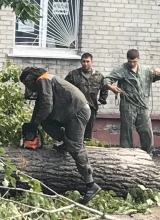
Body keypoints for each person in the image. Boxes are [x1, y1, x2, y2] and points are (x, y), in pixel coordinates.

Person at [19, 67, 101, 204]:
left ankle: (91, 184)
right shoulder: (44, 80)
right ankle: (65, 142)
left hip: (77, 111)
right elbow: (39, 107)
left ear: (30, 79)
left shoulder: (42, 80)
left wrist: (35, 124)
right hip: (70, 111)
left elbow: (46, 105)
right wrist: (33, 123)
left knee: (75, 147)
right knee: (45, 121)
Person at [103, 49, 160, 154]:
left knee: (146, 131)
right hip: (128, 105)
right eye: (130, 61)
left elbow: (159, 76)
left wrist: (158, 72)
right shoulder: (121, 69)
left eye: (134, 61)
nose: (132, 63)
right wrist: (111, 87)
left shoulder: (146, 70)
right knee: (127, 131)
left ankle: (148, 154)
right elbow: (106, 80)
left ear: (138, 59)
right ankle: (126, 155)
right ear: (127, 59)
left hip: (143, 106)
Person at [65, 53, 108, 141]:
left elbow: (105, 88)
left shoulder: (99, 76)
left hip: (91, 107)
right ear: (81, 62)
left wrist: (101, 100)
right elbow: (65, 87)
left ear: (92, 62)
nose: (85, 63)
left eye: (88, 61)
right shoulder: (73, 75)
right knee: (75, 129)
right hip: (77, 107)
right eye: (83, 61)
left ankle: (87, 148)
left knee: (88, 131)